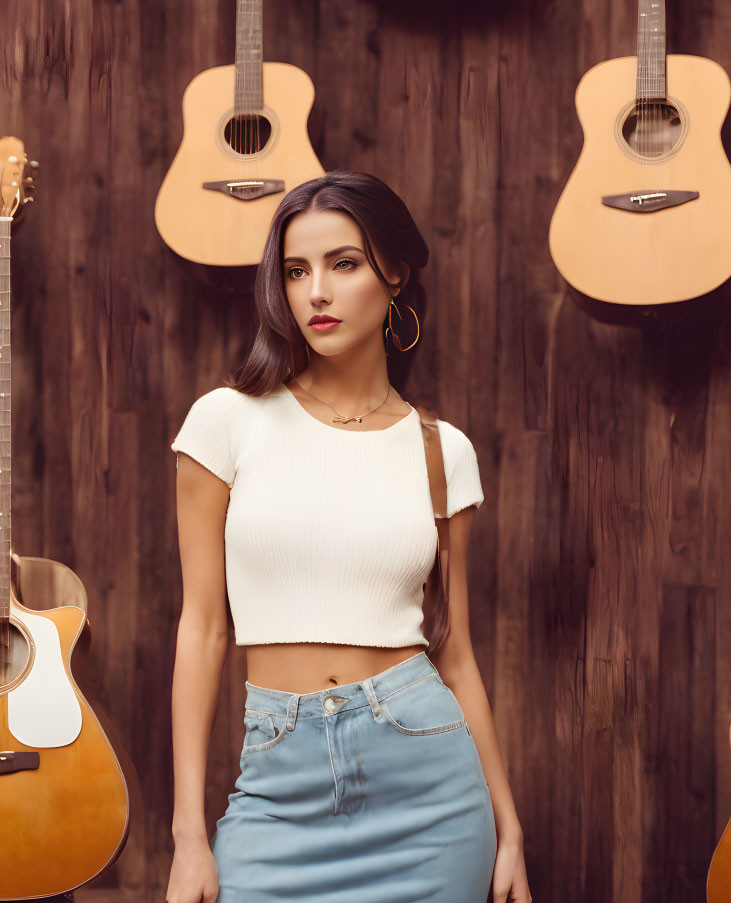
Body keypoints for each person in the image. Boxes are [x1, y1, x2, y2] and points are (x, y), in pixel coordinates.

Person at [164, 171, 531, 903]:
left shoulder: (441, 451)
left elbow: (453, 649)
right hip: (277, 789)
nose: (315, 293)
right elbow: (203, 627)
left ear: (393, 274)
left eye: (343, 264)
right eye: (296, 271)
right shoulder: (226, 421)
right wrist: (187, 836)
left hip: (429, 792)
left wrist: (510, 827)